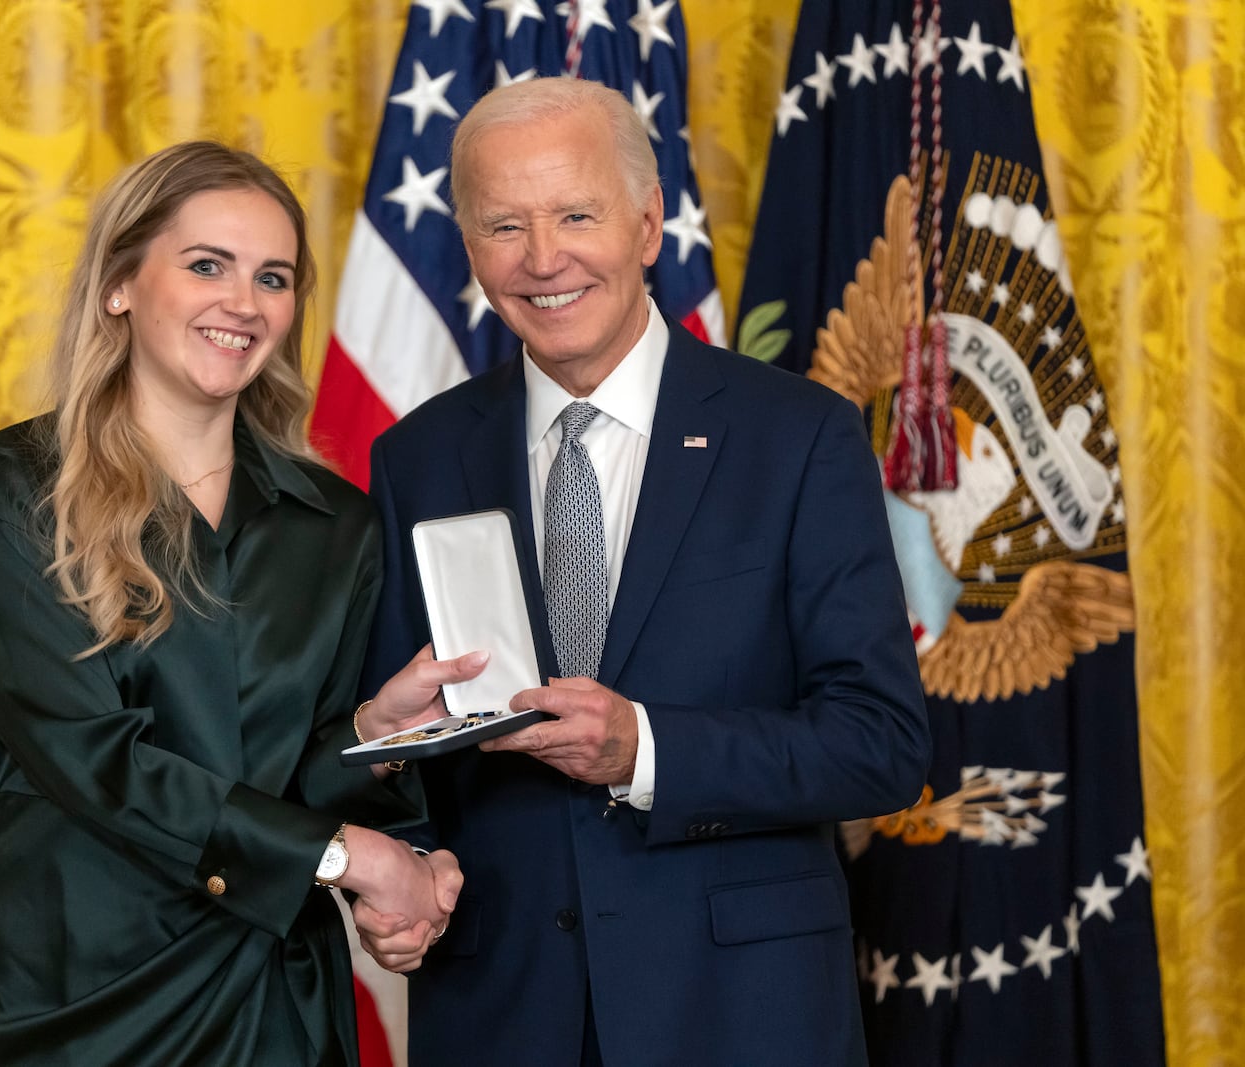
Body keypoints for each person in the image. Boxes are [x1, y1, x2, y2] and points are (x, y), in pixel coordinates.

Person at [353, 78, 931, 1066]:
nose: (543, 259)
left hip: (742, 1012)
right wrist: (394, 814)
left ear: (650, 224)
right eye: (504, 225)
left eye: (577, 213)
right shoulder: (419, 455)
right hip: (500, 1010)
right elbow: (406, 757)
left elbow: (878, 743)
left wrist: (646, 748)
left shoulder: (797, 437)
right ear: (469, 247)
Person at [0, 141, 464, 1066]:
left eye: (273, 277)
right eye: (207, 264)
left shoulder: (335, 522)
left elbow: (275, 773)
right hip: (70, 1002)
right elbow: (98, 763)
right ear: (120, 284)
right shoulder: (9, 495)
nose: (243, 304)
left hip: (272, 996)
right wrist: (351, 858)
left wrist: (370, 734)